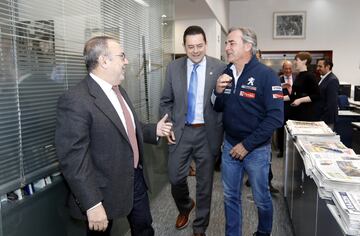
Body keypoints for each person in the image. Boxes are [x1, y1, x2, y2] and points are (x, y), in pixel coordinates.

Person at [55, 36, 173, 236]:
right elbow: (74, 159)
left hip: (135, 178)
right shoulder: (76, 100)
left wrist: (154, 131)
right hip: (103, 188)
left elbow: (127, 129)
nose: (126, 61)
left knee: (144, 228)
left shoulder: (119, 90)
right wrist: (92, 203)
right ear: (104, 60)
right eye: (122, 56)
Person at [214, 27, 283, 236]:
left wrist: (247, 145)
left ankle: (263, 232)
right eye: (226, 43)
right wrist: (216, 92)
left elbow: (276, 118)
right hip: (229, 146)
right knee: (229, 196)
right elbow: (218, 107)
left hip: (256, 150)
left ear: (248, 46)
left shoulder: (267, 76)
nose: (226, 47)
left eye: (231, 43)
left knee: (261, 197)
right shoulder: (226, 72)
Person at [159, 25, 226, 236]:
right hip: (181, 131)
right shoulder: (174, 68)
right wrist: (167, 124)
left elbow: (225, 103)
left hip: (208, 133)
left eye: (199, 46)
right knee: (175, 177)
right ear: (184, 46)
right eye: (190, 47)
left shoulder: (221, 67)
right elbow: (166, 101)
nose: (195, 50)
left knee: (205, 184)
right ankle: (186, 206)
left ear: (206, 44)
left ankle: (200, 227)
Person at [285, 51, 320, 121]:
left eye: (297, 60)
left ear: (304, 61)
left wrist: (300, 100)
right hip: (297, 113)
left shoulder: (310, 76)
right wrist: (278, 98)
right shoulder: (298, 75)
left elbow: (316, 95)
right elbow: (293, 96)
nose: (295, 62)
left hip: (306, 114)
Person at [277, 60, 295, 157]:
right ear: (283, 69)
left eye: (289, 68)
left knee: (294, 129)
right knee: (281, 130)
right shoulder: (278, 80)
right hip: (283, 108)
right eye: (286, 68)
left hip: (296, 109)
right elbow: (275, 94)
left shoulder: (297, 79)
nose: (288, 70)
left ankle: (293, 151)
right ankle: (281, 150)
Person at [316, 58, 340, 129]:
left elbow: (331, 103)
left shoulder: (332, 80)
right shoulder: (323, 78)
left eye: (320, 66)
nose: (318, 68)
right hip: (321, 117)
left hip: (327, 119)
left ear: (328, 66)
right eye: (318, 66)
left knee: (325, 139)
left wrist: (322, 119)